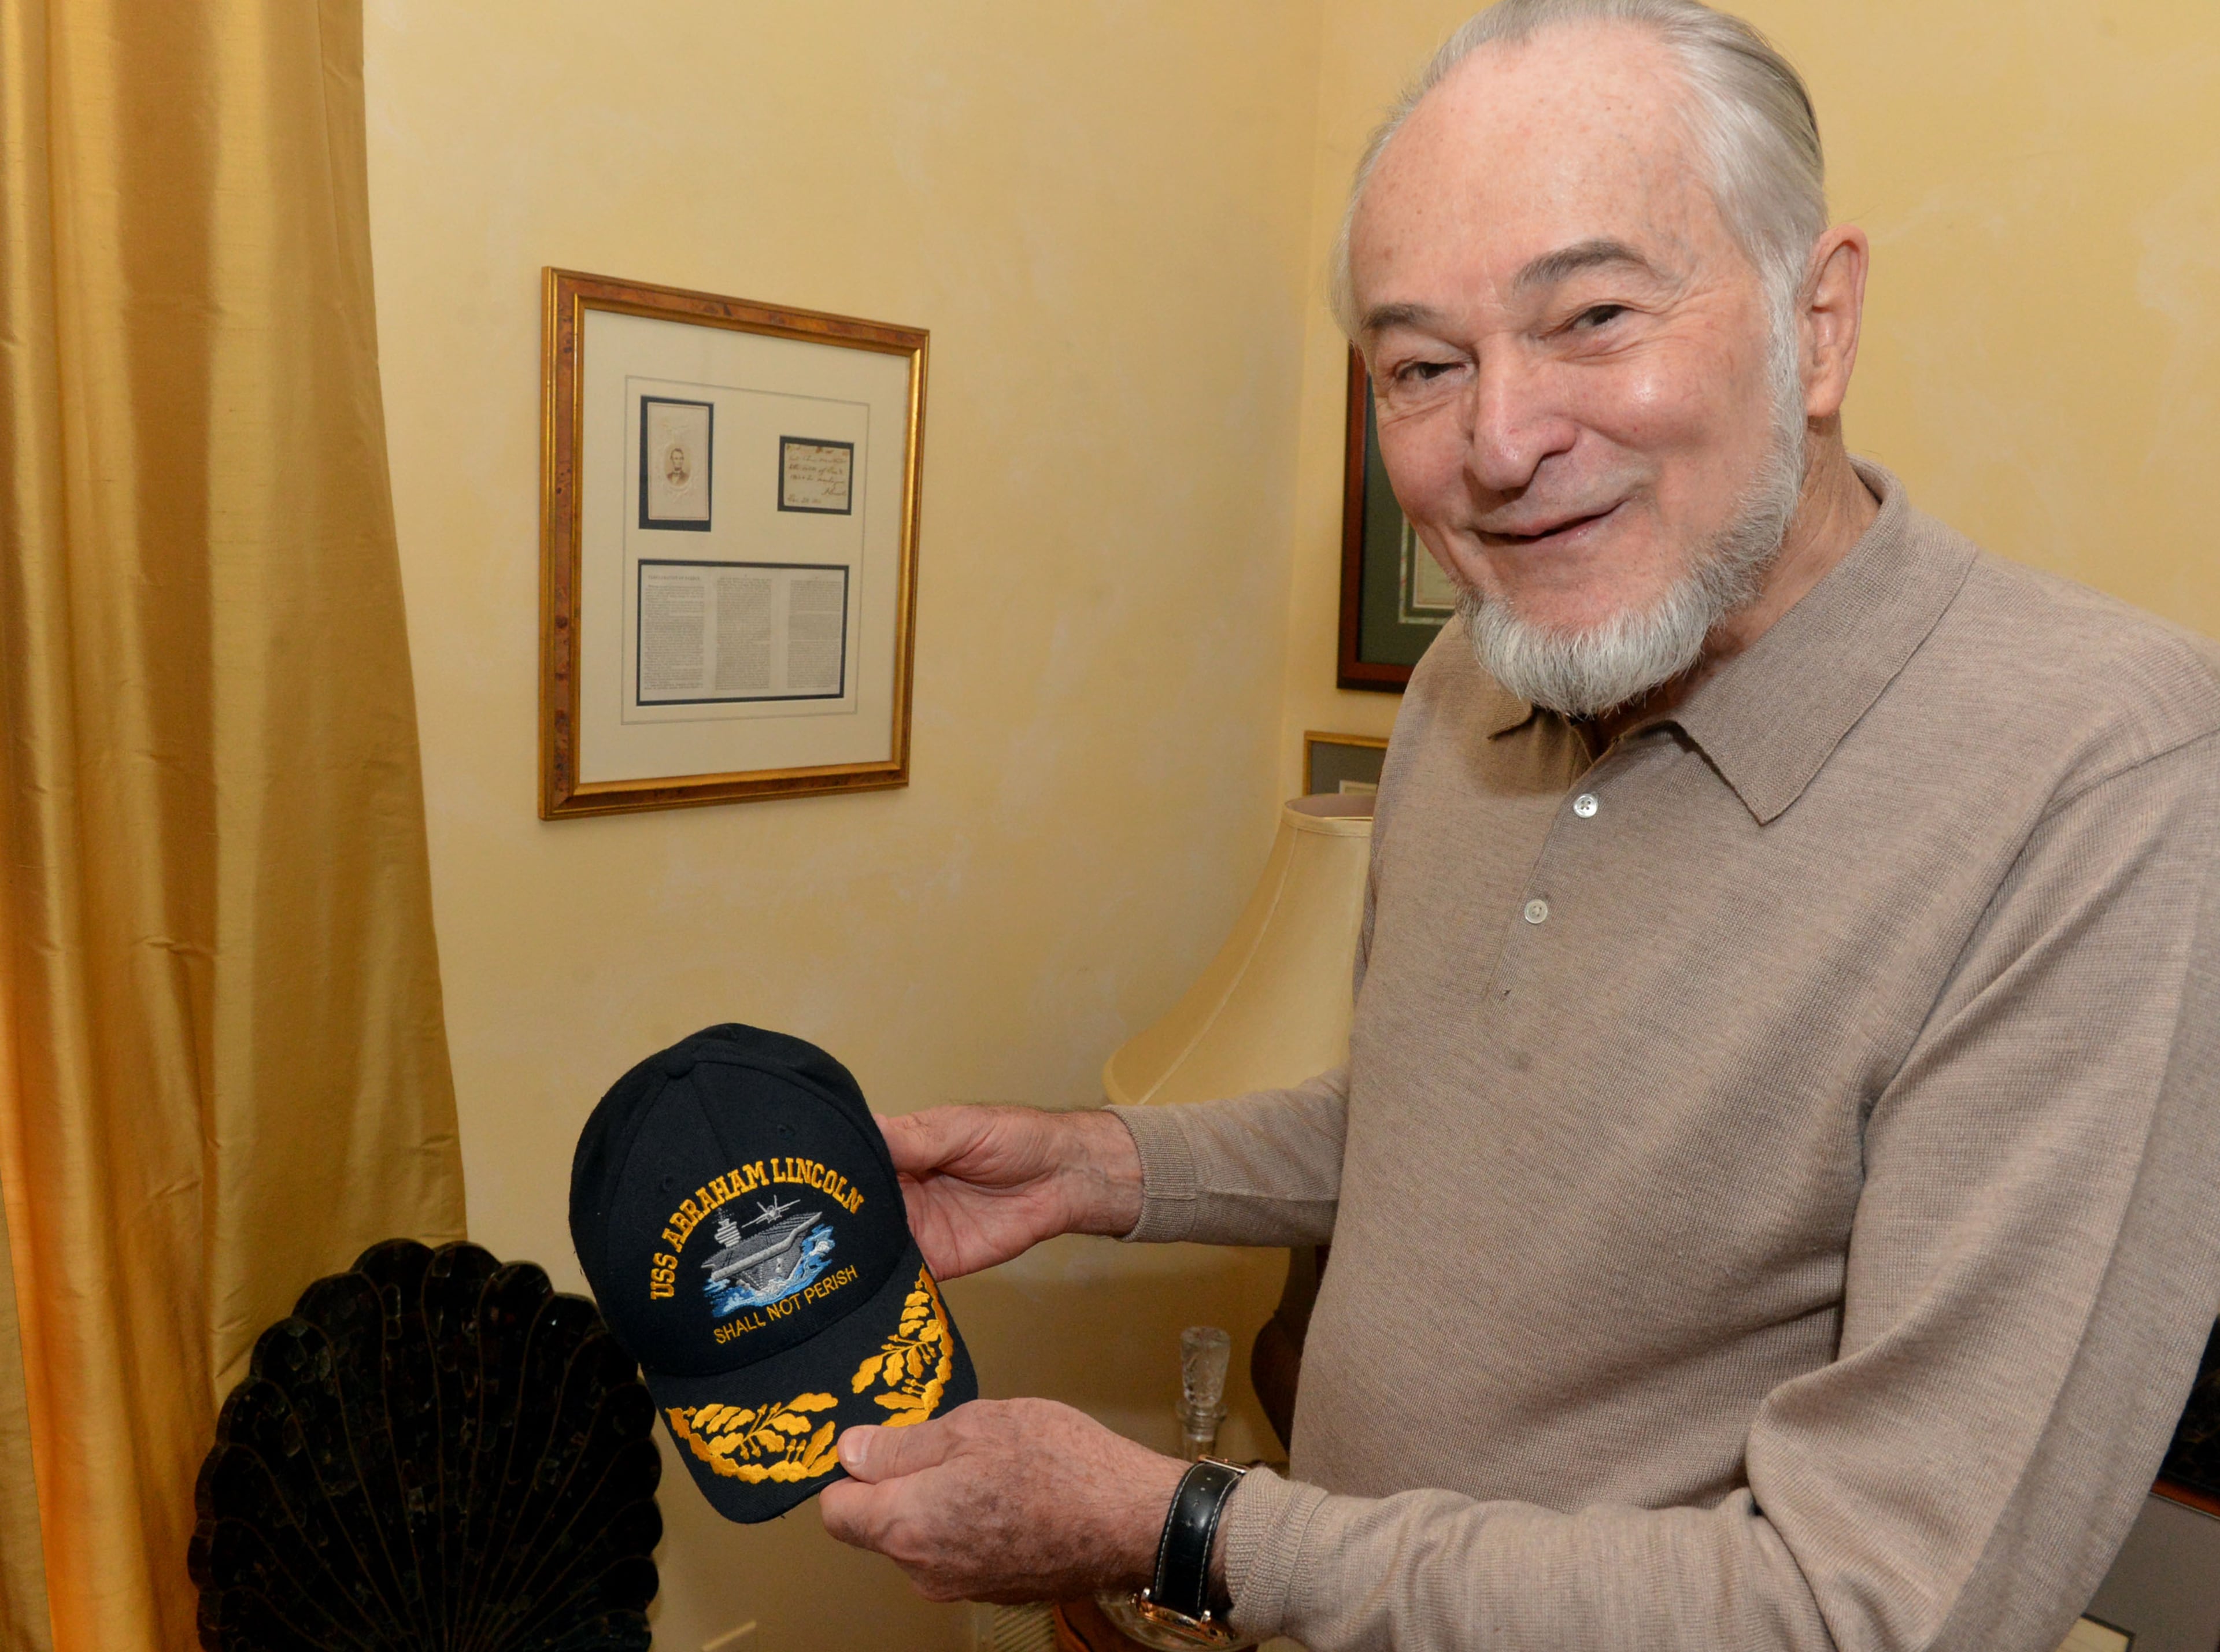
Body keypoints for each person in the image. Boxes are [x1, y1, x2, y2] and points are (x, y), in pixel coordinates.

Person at [817, 2, 2220, 1647]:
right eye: (1423, 365)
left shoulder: (2101, 772)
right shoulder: (1469, 686)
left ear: (1818, 323)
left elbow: (1878, 1612)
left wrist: (1184, 1525)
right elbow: (1467, 1129)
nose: (1500, 441)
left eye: (1595, 314)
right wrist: (1108, 1165)